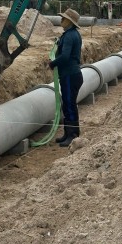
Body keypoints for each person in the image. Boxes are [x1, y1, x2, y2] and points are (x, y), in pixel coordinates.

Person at [48, 8, 83, 147]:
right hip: (71, 74)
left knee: (69, 105)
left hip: (70, 75)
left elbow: (65, 56)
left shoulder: (69, 36)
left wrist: (52, 63)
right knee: (67, 104)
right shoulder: (72, 34)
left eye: (63, 18)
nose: (61, 20)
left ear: (70, 21)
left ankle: (73, 135)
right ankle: (68, 133)